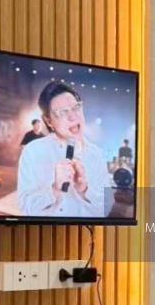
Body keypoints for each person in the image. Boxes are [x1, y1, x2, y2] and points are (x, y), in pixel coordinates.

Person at [17, 82, 110, 218]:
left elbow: (107, 207)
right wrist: (54, 189)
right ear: (49, 121)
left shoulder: (96, 154)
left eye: (76, 108)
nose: (73, 116)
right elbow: (25, 207)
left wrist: (85, 189)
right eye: (62, 112)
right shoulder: (33, 152)